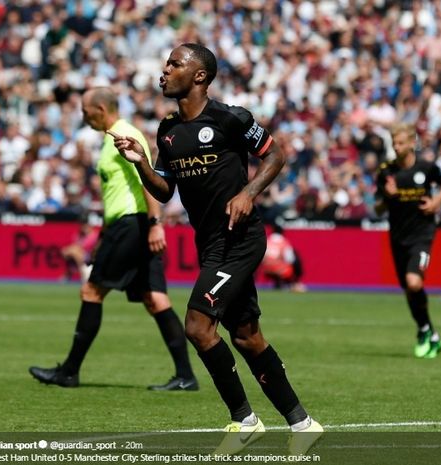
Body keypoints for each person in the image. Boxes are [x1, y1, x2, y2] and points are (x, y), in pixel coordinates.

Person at [110, 44, 322, 456]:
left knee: (198, 326)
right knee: (246, 337)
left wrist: (248, 192)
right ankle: (303, 423)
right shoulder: (167, 130)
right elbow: (165, 189)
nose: (165, 70)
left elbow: (276, 154)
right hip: (210, 243)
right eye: (166, 62)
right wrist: (140, 163)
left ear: (200, 76)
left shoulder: (231, 117)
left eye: (175, 64)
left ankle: (244, 420)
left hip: (240, 240)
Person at [29, 87, 197, 391]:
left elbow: (148, 179)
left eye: (85, 111)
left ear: (102, 109)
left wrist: (156, 223)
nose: (83, 116)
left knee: (91, 292)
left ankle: (69, 372)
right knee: (155, 298)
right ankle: (186, 376)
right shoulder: (111, 138)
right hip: (128, 225)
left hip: (132, 225)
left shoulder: (124, 134)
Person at [375, 123, 441, 359]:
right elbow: (378, 209)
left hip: (423, 233)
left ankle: (426, 330)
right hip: (398, 237)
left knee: (414, 282)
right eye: (394, 143)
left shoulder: (427, 168)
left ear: (411, 143)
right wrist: (387, 197)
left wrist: (436, 202)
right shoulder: (386, 172)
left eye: (400, 143)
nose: (396, 148)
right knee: (409, 290)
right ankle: (427, 330)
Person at [262, 223, 306, 293]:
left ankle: (279, 284)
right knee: (296, 261)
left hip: (266, 269)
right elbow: (290, 259)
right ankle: (295, 284)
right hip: (281, 270)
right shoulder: (284, 242)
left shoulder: (267, 241)